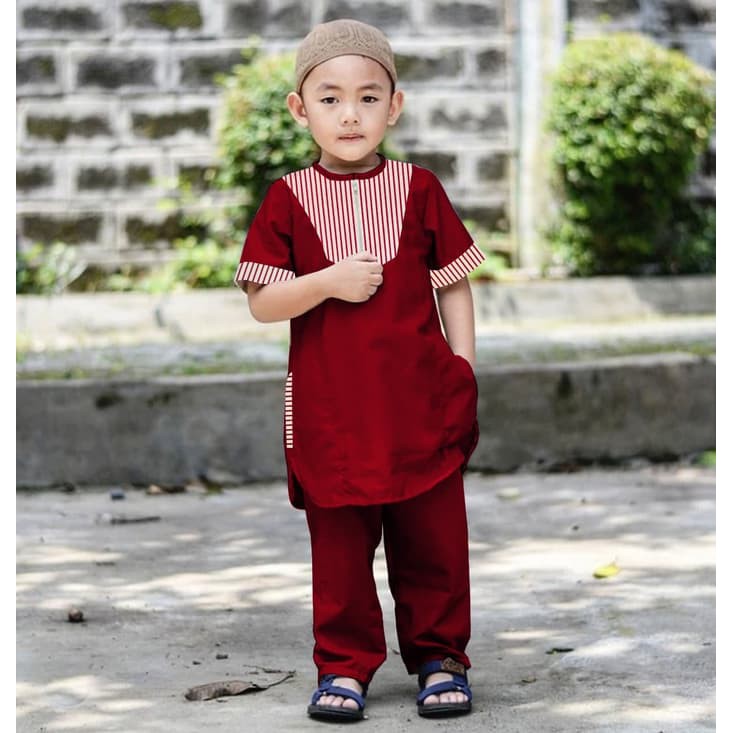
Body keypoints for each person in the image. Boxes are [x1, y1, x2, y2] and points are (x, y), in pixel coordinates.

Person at [234, 18, 485, 722]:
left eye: (369, 98)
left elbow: (453, 281)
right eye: (331, 98)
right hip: (333, 412)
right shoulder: (286, 198)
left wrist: (463, 366)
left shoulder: (419, 187)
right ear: (299, 109)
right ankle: (343, 665)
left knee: (434, 541)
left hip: (420, 404)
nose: (350, 115)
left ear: (394, 107)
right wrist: (326, 282)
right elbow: (262, 302)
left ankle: (440, 657)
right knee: (340, 549)